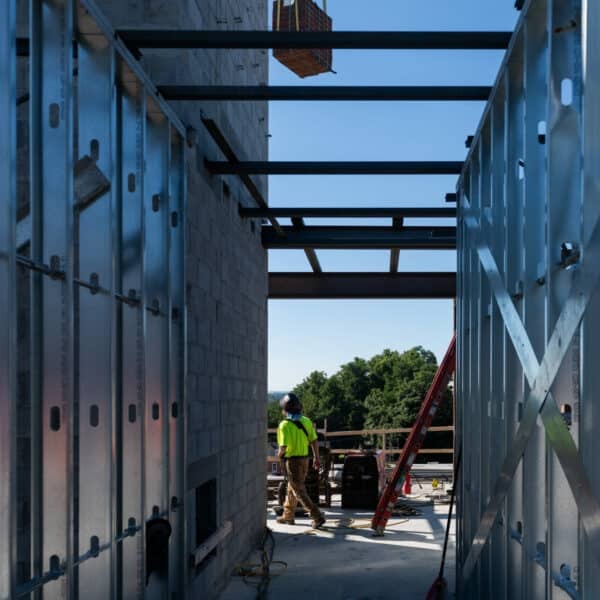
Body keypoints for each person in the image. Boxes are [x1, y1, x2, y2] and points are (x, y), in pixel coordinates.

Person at [276, 393, 326, 529]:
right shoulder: (306, 421)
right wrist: (316, 457)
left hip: (292, 461)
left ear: (285, 410)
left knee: (298, 490)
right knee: (292, 487)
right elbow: (314, 440)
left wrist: (279, 457)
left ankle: (317, 516)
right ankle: (288, 515)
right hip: (305, 460)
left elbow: (283, 448)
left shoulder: (284, 425)